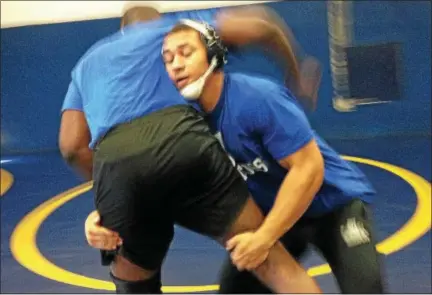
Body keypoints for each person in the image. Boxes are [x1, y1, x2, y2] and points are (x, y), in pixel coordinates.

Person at [85, 20, 385, 293]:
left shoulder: (257, 97)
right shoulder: (183, 122)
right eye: (168, 59)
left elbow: (308, 169)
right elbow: (161, 182)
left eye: (185, 53)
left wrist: (265, 237)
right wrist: (107, 214)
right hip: (277, 214)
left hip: (333, 206)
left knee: (366, 290)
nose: (176, 66)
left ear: (213, 53)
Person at [59, 5, 323, 294]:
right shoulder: (170, 31)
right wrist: (294, 69)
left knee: (133, 281)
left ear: (120, 29)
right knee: (269, 260)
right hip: (184, 143)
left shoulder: (87, 63)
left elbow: (72, 146)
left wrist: (110, 191)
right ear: (160, 23)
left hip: (117, 164)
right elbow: (262, 26)